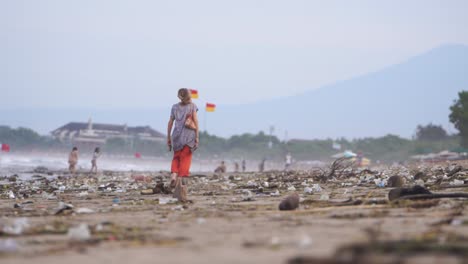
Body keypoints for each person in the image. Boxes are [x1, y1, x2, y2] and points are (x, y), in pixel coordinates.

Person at [167, 88, 199, 202]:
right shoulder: (192, 106)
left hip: (176, 136)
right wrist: (197, 137)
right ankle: (179, 183)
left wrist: (169, 138)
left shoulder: (174, 107)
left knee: (176, 158)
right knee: (185, 159)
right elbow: (195, 122)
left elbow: (170, 123)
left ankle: (173, 176)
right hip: (188, 137)